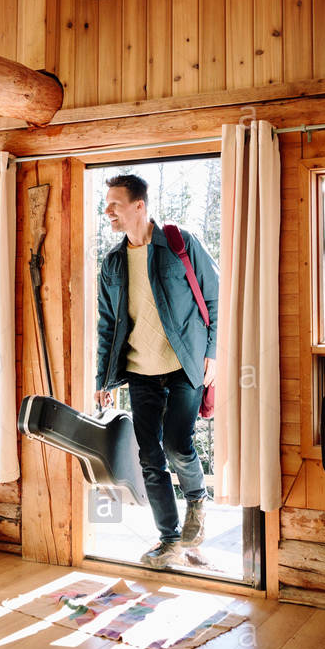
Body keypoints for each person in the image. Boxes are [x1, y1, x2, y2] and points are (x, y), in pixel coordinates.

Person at [94, 174, 218, 569]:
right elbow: (107, 325)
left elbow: (215, 297)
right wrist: (103, 379)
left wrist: (212, 353)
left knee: (178, 444)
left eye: (115, 204)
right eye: (107, 204)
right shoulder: (113, 263)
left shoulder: (179, 243)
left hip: (185, 363)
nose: (108, 211)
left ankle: (197, 500)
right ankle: (168, 540)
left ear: (139, 206)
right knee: (150, 456)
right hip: (140, 371)